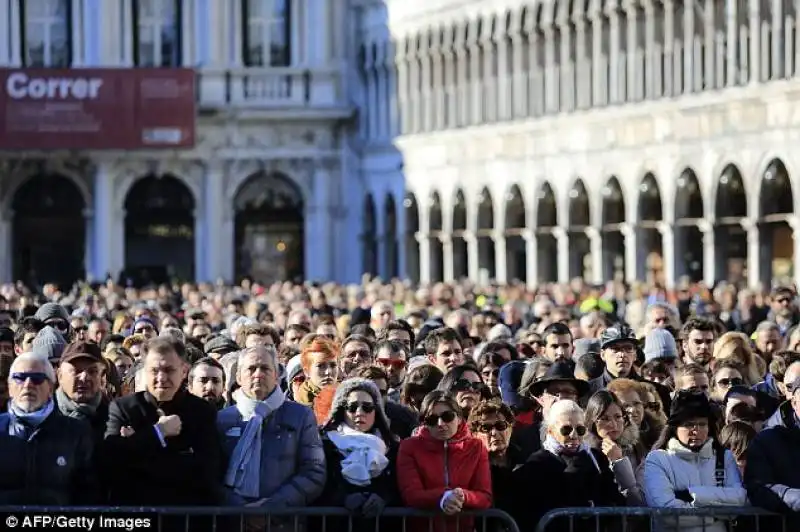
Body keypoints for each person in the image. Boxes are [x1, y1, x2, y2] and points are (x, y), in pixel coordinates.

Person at [104, 337, 220, 506]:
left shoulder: (202, 411)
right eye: (154, 370)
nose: (161, 377)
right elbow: (111, 462)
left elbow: (206, 472)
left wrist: (136, 446)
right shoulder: (123, 409)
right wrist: (158, 433)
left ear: (184, 370)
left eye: (169, 370)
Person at [217, 345, 325, 508]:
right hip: (234, 520)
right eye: (251, 369)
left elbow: (314, 471)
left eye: (265, 368)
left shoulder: (301, 416)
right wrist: (238, 508)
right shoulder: (222, 419)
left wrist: (273, 507)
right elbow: (211, 475)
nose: (258, 374)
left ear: (276, 375)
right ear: (238, 377)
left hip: (283, 521)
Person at [510, 399, 625, 532]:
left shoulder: (596, 458)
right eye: (566, 429)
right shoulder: (536, 463)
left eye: (580, 429)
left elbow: (614, 500)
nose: (574, 435)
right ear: (550, 431)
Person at [0, 352, 99, 504]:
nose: (28, 385)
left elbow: (88, 494)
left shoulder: (76, 432)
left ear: (51, 388)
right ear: (10, 387)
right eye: (19, 378)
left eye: (37, 379)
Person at [642, 390, 748, 532]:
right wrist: (715, 516)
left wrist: (689, 494)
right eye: (689, 424)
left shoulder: (724, 457)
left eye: (702, 424)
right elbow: (666, 511)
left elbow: (740, 500)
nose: (695, 430)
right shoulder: (658, 459)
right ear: (675, 427)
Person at [397, 390, 492, 532]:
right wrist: (443, 496)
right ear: (424, 423)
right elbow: (411, 495)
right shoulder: (409, 447)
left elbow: (485, 496)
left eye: (447, 417)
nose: (440, 424)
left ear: (459, 418)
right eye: (432, 420)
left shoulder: (476, 447)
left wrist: (463, 496)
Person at [317, 378, 400, 531]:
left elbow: (398, 485)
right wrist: (342, 499)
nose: (359, 413)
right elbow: (318, 484)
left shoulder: (392, 446)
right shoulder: (325, 443)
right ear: (342, 410)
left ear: (377, 411)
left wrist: (384, 497)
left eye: (367, 407)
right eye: (352, 407)